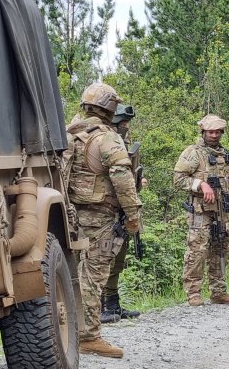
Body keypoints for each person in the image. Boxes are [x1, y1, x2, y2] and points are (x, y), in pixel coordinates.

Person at [65, 83, 142, 359]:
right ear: (109, 108)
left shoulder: (72, 131)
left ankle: (72, 331)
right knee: (94, 275)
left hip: (72, 214)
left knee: (74, 274)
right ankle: (89, 337)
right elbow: (122, 175)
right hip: (100, 216)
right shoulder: (107, 137)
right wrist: (133, 214)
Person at [173, 114, 229, 307]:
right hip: (200, 210)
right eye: (211, 132)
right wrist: (200, 184)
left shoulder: (225, 155)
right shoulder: (193, 153)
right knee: (197, 250)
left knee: (221, 249)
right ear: (203, 132)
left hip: (224, 210)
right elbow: (178, 180)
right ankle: (193, 292)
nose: (214, 135)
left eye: (218, 132)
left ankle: (218, 291)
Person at [100, 104, 143, 323]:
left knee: (117, 259)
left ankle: (113, 305)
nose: (125, 128)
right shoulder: (102, 142)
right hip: (103, 211)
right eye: (122, 124)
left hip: (121, 210)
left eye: (127, 124)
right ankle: (98, 309)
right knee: (101, 259)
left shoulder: (121, 143)